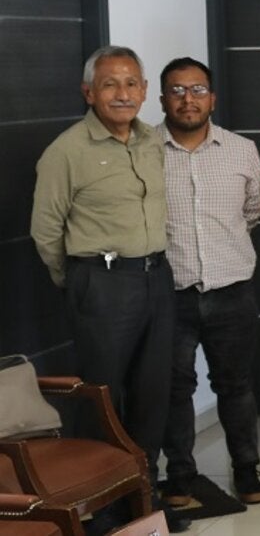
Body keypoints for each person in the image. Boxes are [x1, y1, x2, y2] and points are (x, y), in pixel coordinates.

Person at [30, 46, 179, 529]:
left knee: (153, 393)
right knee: (104, 400)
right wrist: (81, 280)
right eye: (111, 84)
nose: (123, 93)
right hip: (101, 283)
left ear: (144, 91)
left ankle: (144, 496)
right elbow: (46, 231)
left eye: (132, 83)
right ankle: (100, 510)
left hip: (156, 278)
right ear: (88, 91)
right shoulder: (67, 151)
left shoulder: (152, 140)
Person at [157, 57, 260, 506]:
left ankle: (246, 470)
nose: (189, 99)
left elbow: (253, 211)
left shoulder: (241, 150)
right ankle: (181, 476)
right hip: (169, 292)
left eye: (198, 90)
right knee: (174, 388)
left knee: (235, 385)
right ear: (162, 98)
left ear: (213, 97)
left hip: (232, 290)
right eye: (178, 91)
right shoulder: (144, 150)